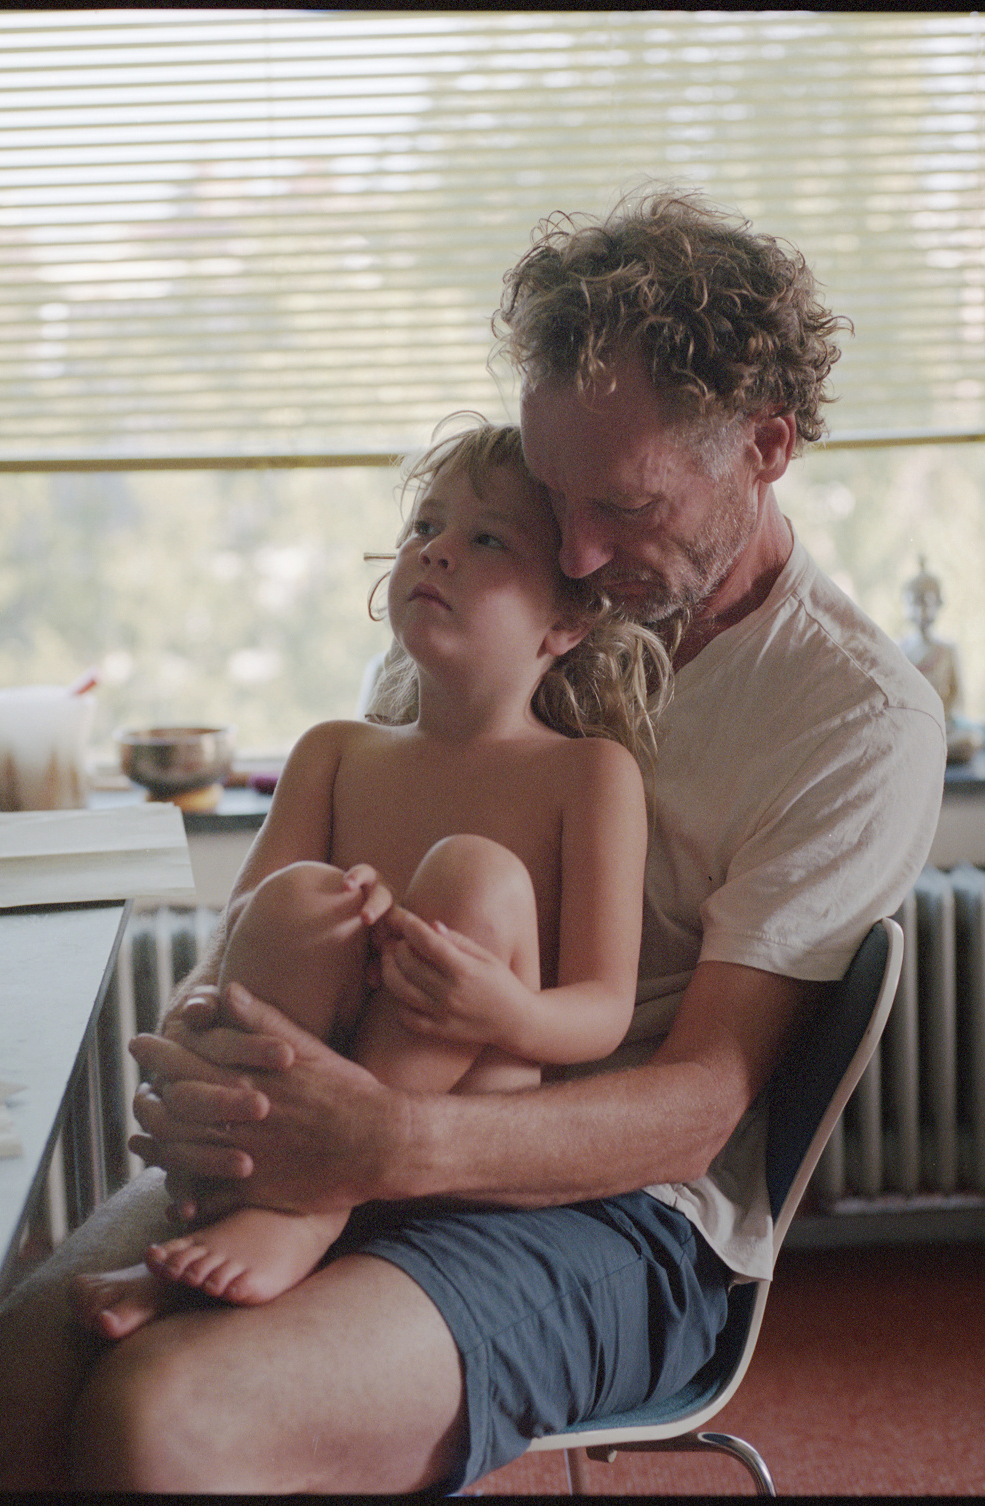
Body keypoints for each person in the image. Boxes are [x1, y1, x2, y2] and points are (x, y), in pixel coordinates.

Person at [0, 186, 946, 1494]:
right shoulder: (502, 602)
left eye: (625, 508)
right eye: (556, 494)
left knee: (166, 1417)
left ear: (764, 446)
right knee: (9, 1372)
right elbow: (320, 912)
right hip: (363, 1116)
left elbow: (695, 1113)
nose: (577, 549)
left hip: (625, 1214)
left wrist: (383, 1144)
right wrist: (216, 1060)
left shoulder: (852, 718)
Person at [65, 417, 669, 1338]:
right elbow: (238, 941)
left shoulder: (590, 775)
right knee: (303, 896)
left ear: (566, 621)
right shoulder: (334, 754)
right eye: (425, 526)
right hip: (296, 1108)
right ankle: (259, 1212)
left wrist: (498, 1007)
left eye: (488, 538)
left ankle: (308, 1210)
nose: (437, 551)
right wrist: (205, 1037)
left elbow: (602, 1009)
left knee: (474, 874)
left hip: (456, 1143)